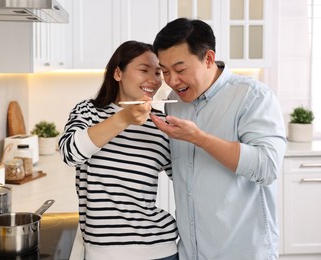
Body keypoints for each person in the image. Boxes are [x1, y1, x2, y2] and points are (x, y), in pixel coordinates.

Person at [150, 18, 287, 260]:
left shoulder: (252, 96)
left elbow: (267, 166)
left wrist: (200, 138)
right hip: (191, 251)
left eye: (180, 70)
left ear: (209, 59)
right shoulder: (175, 102)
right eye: (165, 71)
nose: (171, 80)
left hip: (242, 251)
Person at [58, 40, 178, 260]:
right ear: (117, 74)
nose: (153, 79)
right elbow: (69, 153)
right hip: (102, 251)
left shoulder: (161, 122)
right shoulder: (88, 111)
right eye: (144, 70)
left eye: (158, 72)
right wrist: (123, 118)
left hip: (160, 249)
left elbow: (189, 182)